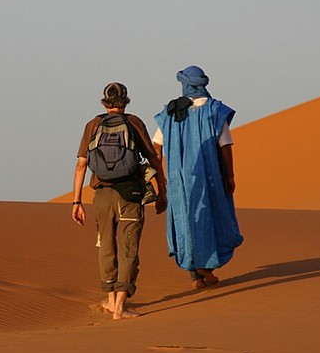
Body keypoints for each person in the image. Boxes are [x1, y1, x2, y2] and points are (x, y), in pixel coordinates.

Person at [72, 82, 167, 319]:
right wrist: (162, 190)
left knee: (106, 245)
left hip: (102, 196)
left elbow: (81, 164)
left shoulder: (93, 125)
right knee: (128, 248)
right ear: (126, 102)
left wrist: (76, 201)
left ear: (104, 103)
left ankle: (110, 299)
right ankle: (120, 308)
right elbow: (154, 160)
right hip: (130, 196)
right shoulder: (134, 123)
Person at [153, 66, 243, 289]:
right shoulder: (214, 111)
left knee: (186, 220)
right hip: (208, 176)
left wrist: (161, 176)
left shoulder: (170, 112)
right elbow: (225, 146)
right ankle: (205, 269)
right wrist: (230, 175)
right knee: (210, 218)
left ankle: (196, 275)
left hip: (178, 180)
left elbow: (156, 147)